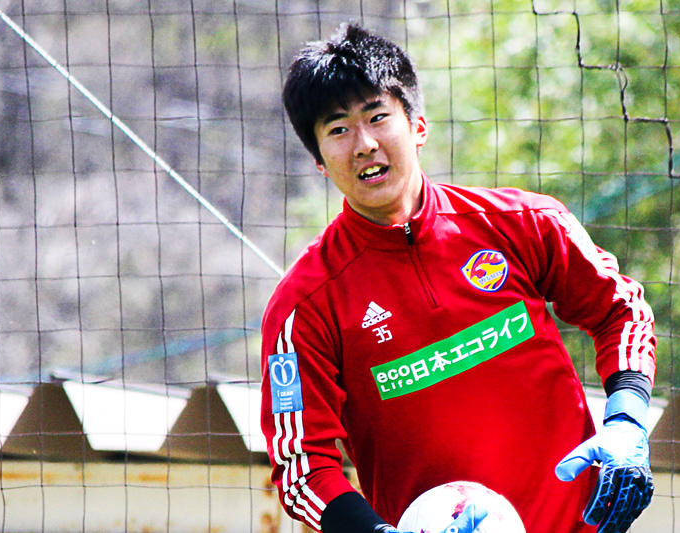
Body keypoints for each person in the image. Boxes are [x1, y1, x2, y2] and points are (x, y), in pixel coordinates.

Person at [260, 22, 656, 533]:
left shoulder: (524, 222)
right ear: (319, 162)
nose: (364, 144)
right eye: (338, 130)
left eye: (377, 117)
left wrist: (626, 419)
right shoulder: (304, 305)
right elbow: (302, 468)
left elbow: (621, 310)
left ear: (418, 126)